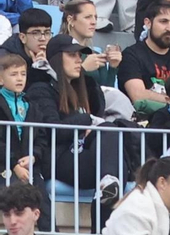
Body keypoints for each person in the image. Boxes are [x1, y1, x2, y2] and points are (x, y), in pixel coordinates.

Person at [28, 33, 133, 206]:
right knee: (110, 148)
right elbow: (53, 131)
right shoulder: (41, 90)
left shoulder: (85, 89)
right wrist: (86, 119)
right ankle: (105, 202)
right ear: (56, 59)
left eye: (79, 55)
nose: (78, 60)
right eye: (72, 55)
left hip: (84, 153)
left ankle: (104, 203)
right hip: (58, 158)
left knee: (116, 163)